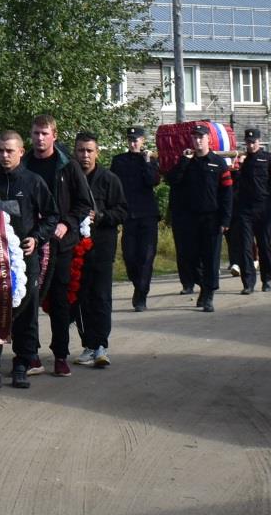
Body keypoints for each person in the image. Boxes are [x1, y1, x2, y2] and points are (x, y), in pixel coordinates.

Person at [0, 131, 57, 389]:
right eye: (0, 151)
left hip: (24, 258)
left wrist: (38, 238)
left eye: (10, 151)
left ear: (21, 151)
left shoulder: (33, 181)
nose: (4, 155)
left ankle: (22, 364)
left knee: (25, 313)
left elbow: (52, 216)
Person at [24, 115, 91, 376]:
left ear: (54, 135)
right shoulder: (26, 163)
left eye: (44, 133)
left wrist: (67, 223)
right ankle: (30, 354)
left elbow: (84, 202)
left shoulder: (68, 166)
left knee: (59, 301)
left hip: (61, 244)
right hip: (31, 242)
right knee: (28, 300)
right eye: (36, 133)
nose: (40, 138)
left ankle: (60, 355)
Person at [72, 132, 127, 367]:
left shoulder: (109, 179)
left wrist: (102, 216)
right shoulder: (69, 178)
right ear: (75, 152)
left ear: (97, 152)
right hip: (75, 249)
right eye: (81, 150)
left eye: (89, 151)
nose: (85, 155)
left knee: (101, 297)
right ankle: (89, 344)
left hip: (102, 247)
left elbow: (122, 211)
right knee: (80, 297)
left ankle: (101, 345)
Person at [165, 124, 233, 313]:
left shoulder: (218, 163)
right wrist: (184, 162)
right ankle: (202, 285)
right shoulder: (185, 161)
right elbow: (171, 180)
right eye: (195, 138)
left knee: (210, 258)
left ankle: (209, 294)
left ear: (208, 139)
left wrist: (226, 220)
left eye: (201, 137)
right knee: (190, 258)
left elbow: (227, 193)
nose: (198, 140)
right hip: (188, 219)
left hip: (211, 218)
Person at [110, 126, 161, 311]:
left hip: (147, 214)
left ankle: (141, 294)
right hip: (128, 215)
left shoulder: (150, 160)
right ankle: (138, 284)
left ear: (142, 141)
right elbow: (113, 187)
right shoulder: (119, 161)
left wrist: (147, 161)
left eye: (136, 139)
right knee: (130, 256)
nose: (133, 143)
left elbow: (153, 181)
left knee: (146, 256)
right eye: (130, 139)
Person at [232, 128, 271, 293]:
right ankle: (248, 283)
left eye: (253, 142)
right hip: (244, 209)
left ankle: (267, 279)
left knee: (264, 245)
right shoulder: (242, 160)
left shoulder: (269, 159)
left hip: (263, 207)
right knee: (245, 247)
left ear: (259, 141)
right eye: (248, 142)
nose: (251, 145)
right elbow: (233, 183)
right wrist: (237, 166)